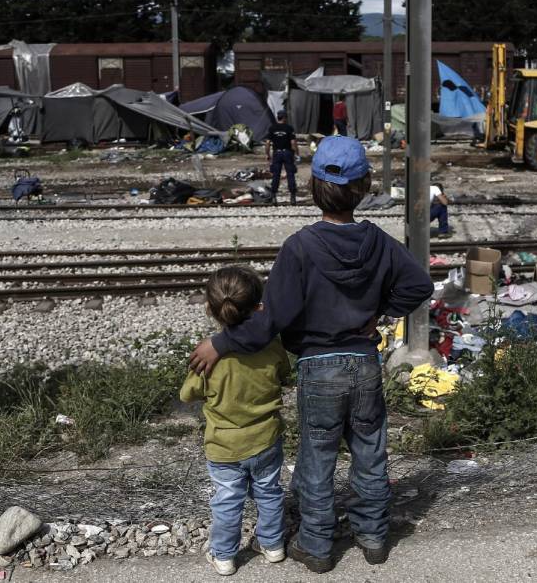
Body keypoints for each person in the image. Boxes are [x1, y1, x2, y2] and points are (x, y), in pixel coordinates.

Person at [188, 136, 434, 574]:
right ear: (363, 187)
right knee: (370, 452)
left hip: (317, 370)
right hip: (363, 365)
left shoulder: (299, 248)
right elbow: (419, 285)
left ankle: (317, 546)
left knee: (317, 459)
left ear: (313, 187)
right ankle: (374, 536)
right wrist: (378, 312)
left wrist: (220, 342)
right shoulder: (378, 242)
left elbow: (271, 320)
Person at [180, 266, 292, 576]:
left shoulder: (208, 356)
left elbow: (188, 394)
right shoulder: (272, 345)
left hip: (224, 446)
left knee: (228, 501)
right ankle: (272, 546)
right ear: (259, 306)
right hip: (267, 438)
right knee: (269, 492)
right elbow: (284, 374)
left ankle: (225, 556)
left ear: (209, 310)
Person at [266, 110, 298, 205]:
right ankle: (292, 197)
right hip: (287, 153)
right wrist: (297, 154)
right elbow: (293, 142)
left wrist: (267, 154)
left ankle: (274, 196)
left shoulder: (272, 128)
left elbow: (267, 143)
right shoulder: (289, 128)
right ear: (284, 118)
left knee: (276, 175)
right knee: (290, 174)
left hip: (277, 153)